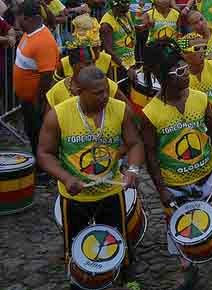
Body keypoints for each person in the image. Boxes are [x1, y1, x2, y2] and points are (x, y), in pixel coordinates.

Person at [139, 39, 212, 290]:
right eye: (179, 72)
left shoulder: (200, 98)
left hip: (208, 177)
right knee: (184, 229)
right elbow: (150, 156)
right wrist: (161, 190)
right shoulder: (150, 114)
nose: (186, 74)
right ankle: (189, 270)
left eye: (186, 69)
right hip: (175, 185)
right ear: (162, 77)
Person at [37, 66, 145, 290]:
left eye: (106, 90)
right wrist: (66, 178)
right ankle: (79, 279)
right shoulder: (58, 115)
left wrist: (133, 170)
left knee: (118, 239)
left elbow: (134, 143)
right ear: (78, 90)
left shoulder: (119, 109)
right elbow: (44, 153)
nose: (105, 96)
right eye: (97, 93)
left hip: (110, 193)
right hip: (74, 197)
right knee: (76, 243)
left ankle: (127, 277)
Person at [13, 0, 59, 162]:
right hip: (27, 99)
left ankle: (44, 170)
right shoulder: (29, 32)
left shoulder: (44, 41)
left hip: (35, 102)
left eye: (19, 18)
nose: (17, 22)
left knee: (39, 136)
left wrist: (39, 102)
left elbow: (47, 76)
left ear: (29, 19)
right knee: (31, 132)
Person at [46, 45, 127, 108]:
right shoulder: (57, 91)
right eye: (87, 64)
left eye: (94, 63)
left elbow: (127, 109)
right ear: (74, 66)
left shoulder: (107, 84)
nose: (93, 67)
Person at [99, 0, 138, 83]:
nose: (127, 9)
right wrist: (126, 67)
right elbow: (108, 50)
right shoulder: (106, 24)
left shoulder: (126, 13)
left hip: (130, 64)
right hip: (116, 68)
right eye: (123, 7)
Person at [181, 32, 212, 117]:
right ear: (185, 53)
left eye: (204, 48)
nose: (202, 52)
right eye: (197, 49)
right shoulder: (180, 75)